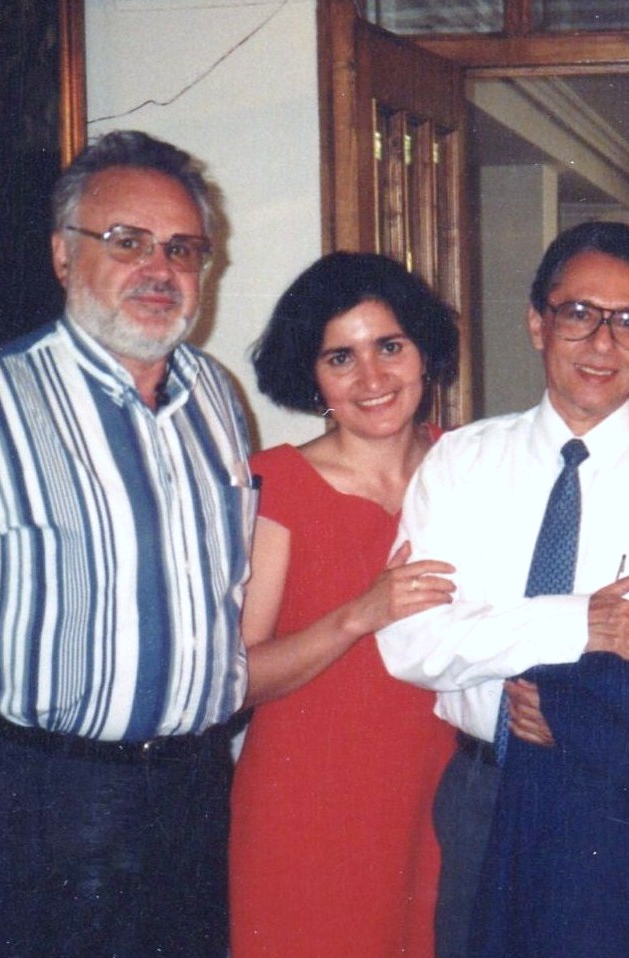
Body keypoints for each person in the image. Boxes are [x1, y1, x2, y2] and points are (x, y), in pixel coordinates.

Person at [0, 130, 254, 958]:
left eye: (182, 249)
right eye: (126, 241)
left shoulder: (217, 399)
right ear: (64, 256)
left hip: (191, 801)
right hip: (27, 799)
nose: (158, 269)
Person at [377, 221, 629, 958]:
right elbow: (410, 642)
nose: (603, 344)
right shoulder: (460, 466)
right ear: (538, 322)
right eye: (579, 314)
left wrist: (609, 723)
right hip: (485, 792)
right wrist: (577, 627)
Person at [228, 252, 462, 958]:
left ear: (423, 352)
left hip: (438, 798)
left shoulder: (469, 464)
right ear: (313, 376)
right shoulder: (276, 484)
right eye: (341, 357)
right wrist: (361, 613)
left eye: (390, 347)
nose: (373, 379)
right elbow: (236, 678)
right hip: (308, 811)